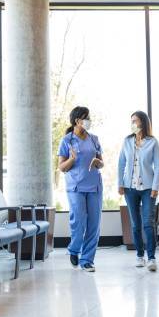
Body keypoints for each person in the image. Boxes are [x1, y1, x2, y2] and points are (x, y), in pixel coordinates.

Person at [58, 106, 104, 272]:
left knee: (94, 224)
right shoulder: (67, 140)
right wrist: (71, 159)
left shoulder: (94, 139)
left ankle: (87, 260)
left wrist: (97, 163)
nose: (89, 121)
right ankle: (74, 249)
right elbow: (62, 167)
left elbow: (102, 162)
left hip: (95, 186)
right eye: (86, 118)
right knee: (78, 222)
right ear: (77, 121)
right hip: (76, 187)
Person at [118, 110, 159, 271]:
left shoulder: (153, 142)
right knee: (135, 224)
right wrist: (120, 184)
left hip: (148, 188)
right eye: (131, 121)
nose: (133, 124)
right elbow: (121, 163)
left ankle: (151, 258)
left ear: (142, 122)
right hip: (130, 188)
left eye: (135, 121)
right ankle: (139, 255)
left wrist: (156, 188)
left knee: (148, 224)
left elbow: (158, 166)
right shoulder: (127, 141)